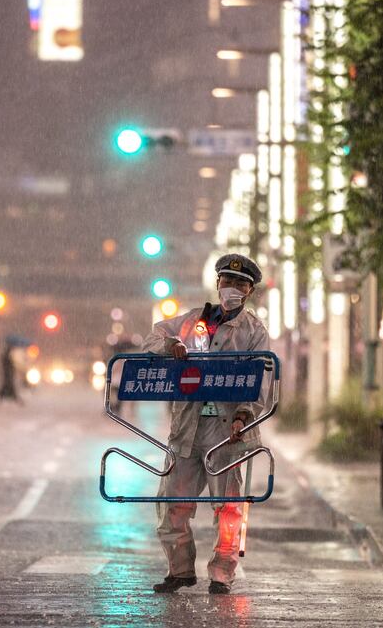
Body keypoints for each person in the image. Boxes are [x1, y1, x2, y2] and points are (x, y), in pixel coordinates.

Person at [142, 253, 269, 595]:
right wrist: (170, 345)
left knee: (228, 507)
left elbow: (262, 381)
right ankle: (180, 569)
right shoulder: (189, 322)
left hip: (229, 432)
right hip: (187, 428)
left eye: (240, 284)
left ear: (250, 291)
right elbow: (152, 338)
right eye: (227, 281)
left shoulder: (255, 332)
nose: (232, 288)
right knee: (171, 503)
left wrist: (245, 414)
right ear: (217, 285)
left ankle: (222, 573)